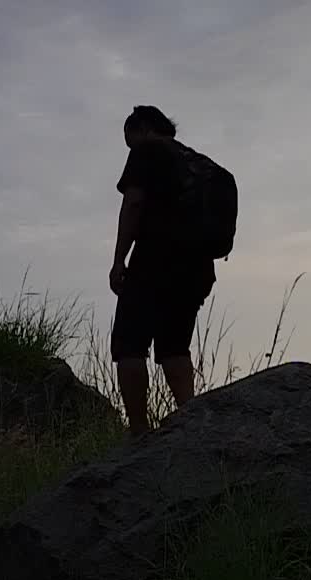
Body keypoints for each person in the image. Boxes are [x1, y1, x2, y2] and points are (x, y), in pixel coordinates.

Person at [109, 105, 220, 437]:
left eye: (130, 141)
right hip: (197, 269)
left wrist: (118, 260)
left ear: (142, 129)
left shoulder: (147, 151)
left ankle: (140, 435)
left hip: (155, 262)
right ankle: (191, 425)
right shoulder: (197, 162)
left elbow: (133, 203)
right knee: (174, 346)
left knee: (129, 344)